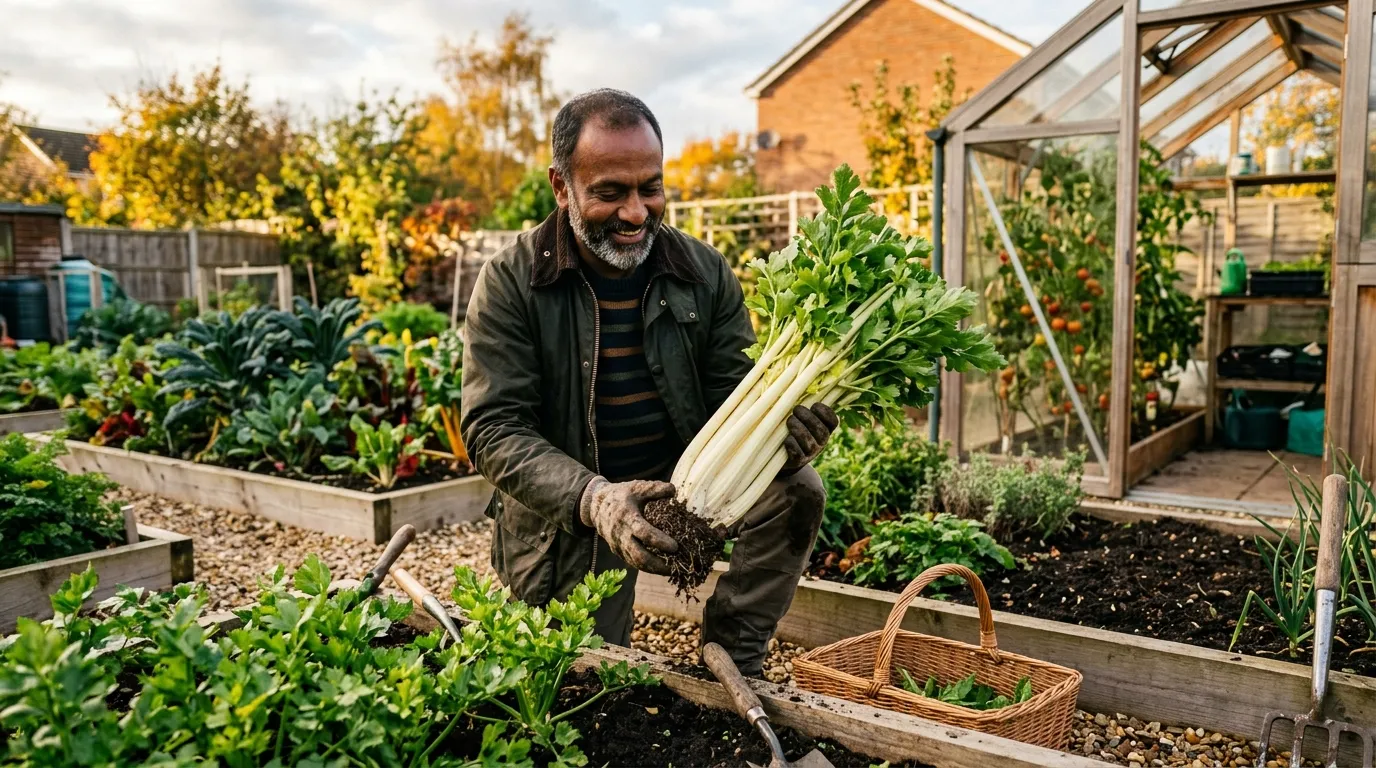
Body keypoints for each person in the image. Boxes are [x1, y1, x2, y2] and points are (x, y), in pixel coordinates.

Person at [459, 88, 837, 676]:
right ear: (562, 187)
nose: (636, 212)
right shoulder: (513, 281)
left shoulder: (702, 272)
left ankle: (733, 653)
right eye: (610, 192)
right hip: (578, 509)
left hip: (681, 491)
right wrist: (595, 499)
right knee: (579, 681)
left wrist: (785, 434)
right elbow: (492, 428)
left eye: (650, 187)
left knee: (798, 489)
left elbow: (732, 397)